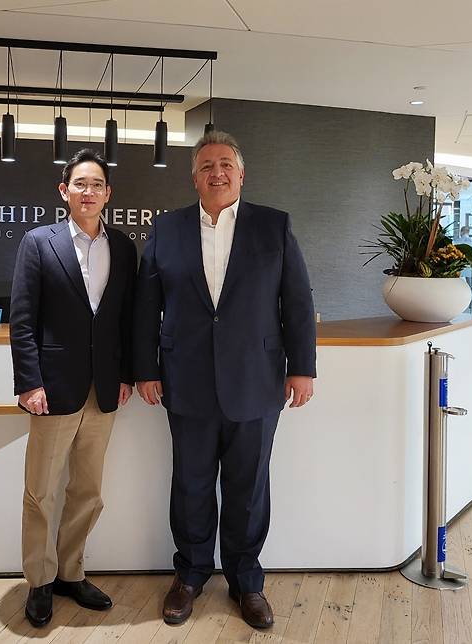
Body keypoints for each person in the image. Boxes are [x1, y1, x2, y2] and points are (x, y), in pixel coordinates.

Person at [133, 130, 316, 630]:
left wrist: (302, 367)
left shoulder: (272, 227)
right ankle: (190, 575)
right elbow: (147, 306)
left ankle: (246, 581)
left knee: (248, 486)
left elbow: (297, 303)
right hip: (185, 380)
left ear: (240, 174)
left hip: (257, 381)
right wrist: (145, 369)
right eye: (207, 165)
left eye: (225, 164)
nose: (217, 172)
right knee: (190, 484)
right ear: (194, 177)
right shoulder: (166, 229)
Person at [10, 148, 136, 628]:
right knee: (40, 491)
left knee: (88, 490)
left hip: (103, 389)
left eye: (97, 184)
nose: (89, 191)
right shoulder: (38, 242)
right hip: (53, 388)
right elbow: (22, 320)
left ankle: (70, 571)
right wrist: (29, 382)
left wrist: (126, 373)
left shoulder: (123, 247)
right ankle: (39, 581)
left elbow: (125, 319)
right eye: (79, 184)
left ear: (108, 194)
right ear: (64, 191)